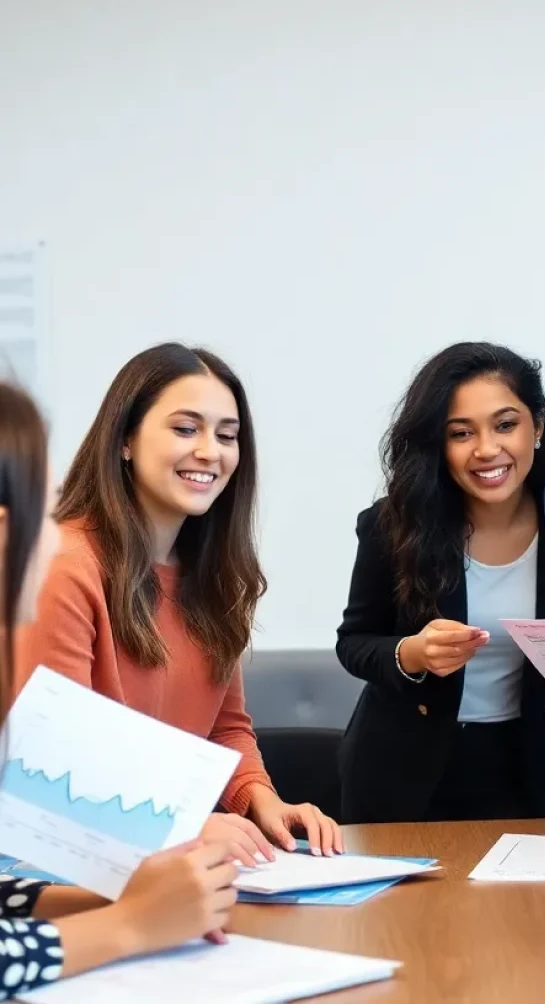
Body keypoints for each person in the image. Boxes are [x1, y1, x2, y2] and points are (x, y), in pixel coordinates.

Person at [16, 343, 342, 859]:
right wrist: (185, 826)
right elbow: (55, 761)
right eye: (186, 429)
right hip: (54, 866)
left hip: (159, 862)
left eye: (227, 435)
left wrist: (263, 801)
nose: (211, 451)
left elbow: (224, 729)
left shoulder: (213, 578)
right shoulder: (66, 565)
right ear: (125, 440)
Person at [0, 380, 238, 998]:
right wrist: (130, 923)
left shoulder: (209, 575)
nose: (57, 537)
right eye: (45, 510)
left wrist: (117, 901)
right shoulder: (77, 564)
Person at [336, 343, 545, 822]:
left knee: (519, 899)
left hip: (516, 764)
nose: (486, 450)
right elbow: (353, 643)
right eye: (461, 433)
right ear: (439, 443)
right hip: (399, 769)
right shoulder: (393, 525)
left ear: (536, 426)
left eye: (505, 425)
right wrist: (412, 654)